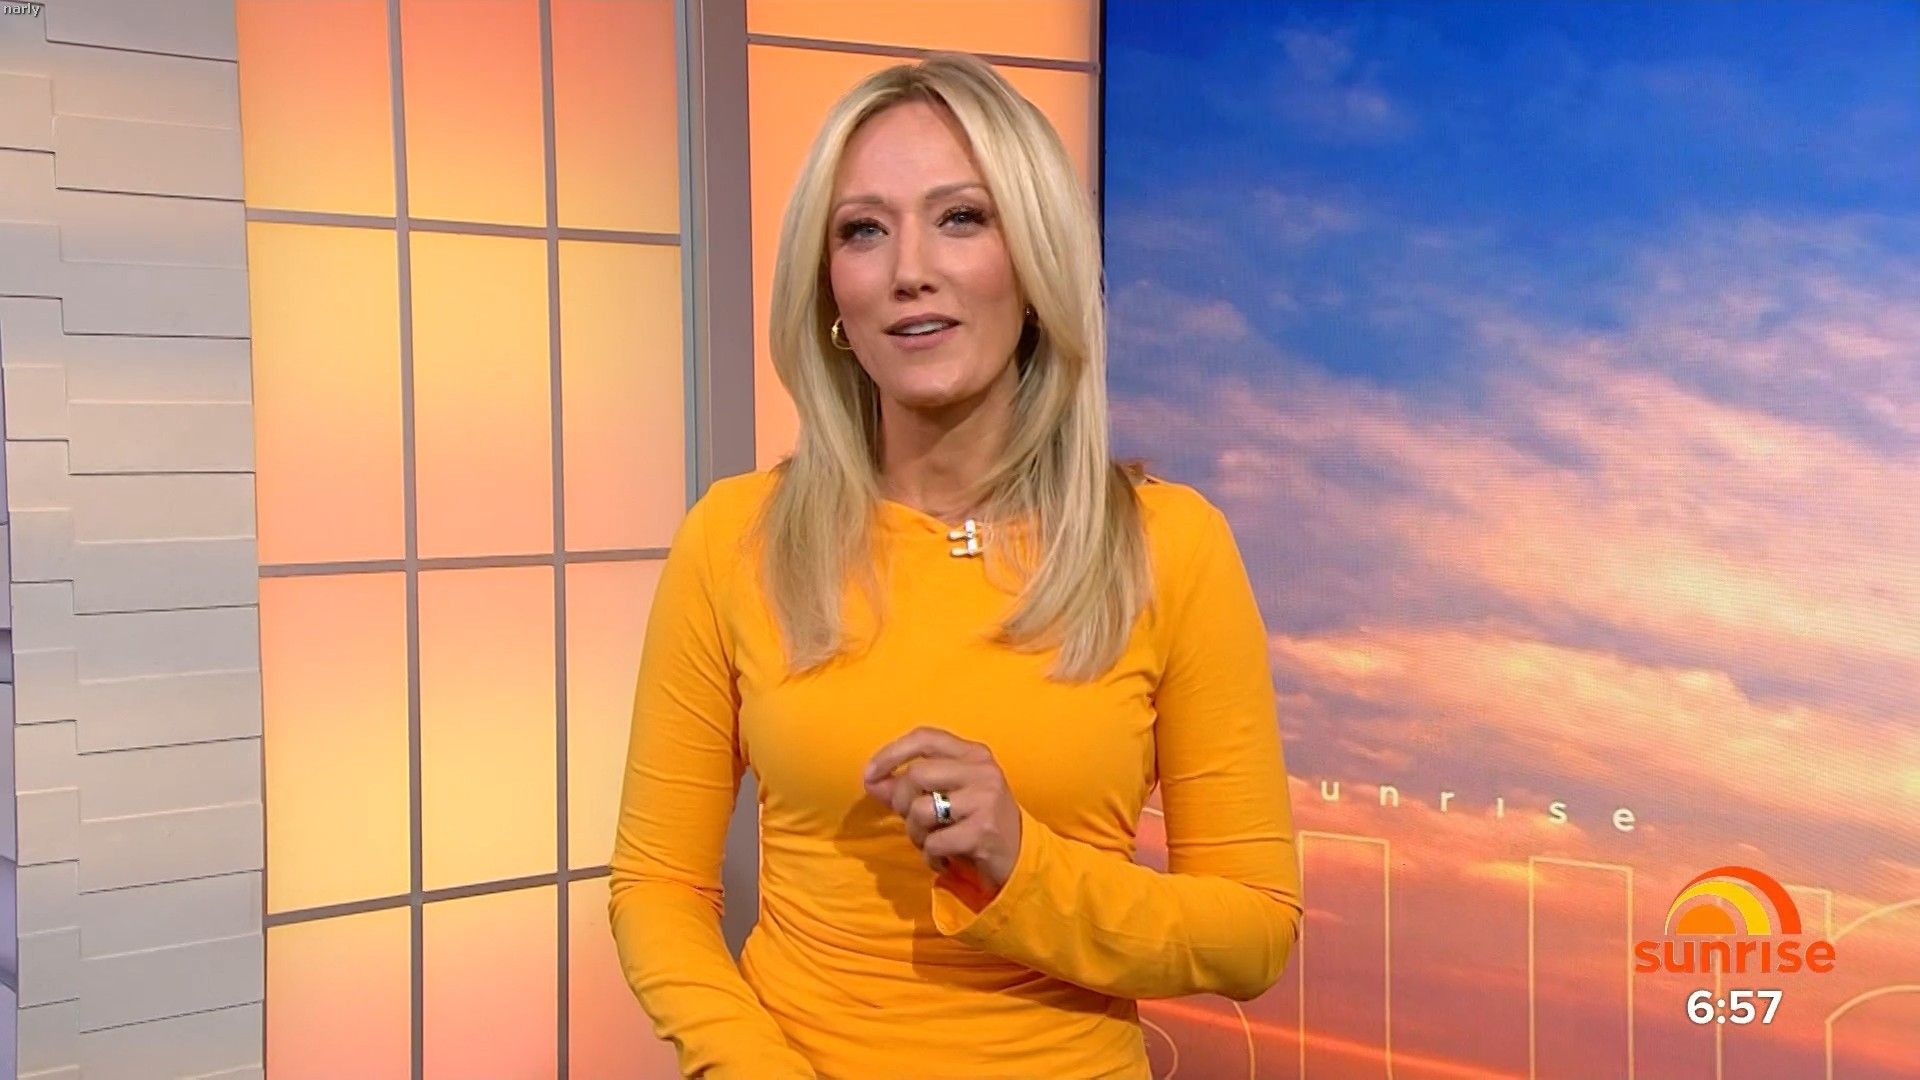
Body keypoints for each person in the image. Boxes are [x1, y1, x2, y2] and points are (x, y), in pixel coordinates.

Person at [608, 51, 1302, 1079]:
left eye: (962, 217)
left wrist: (1022, 865)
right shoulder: (734, 537)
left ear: (1035, 263)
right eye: (863, 229)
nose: (909, 270)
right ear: (830, 286)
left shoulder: (1169, 545)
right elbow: (656, 887)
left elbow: (1253, 933)